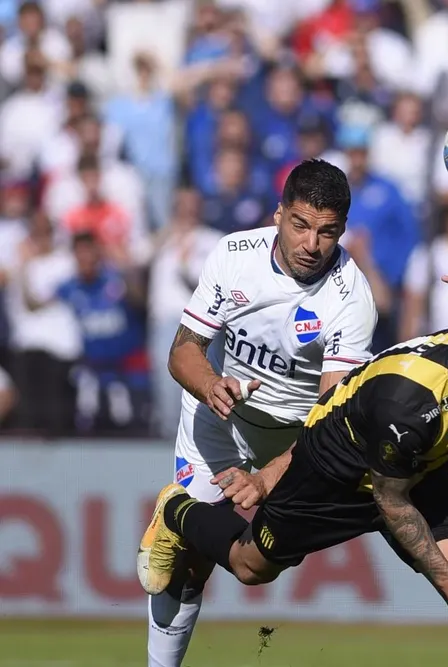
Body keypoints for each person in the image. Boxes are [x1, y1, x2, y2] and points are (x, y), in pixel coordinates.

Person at [138, 281, 448, 667]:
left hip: (417, 467)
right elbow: (391, 502)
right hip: (334, 469)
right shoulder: (407, 402)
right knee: (250, 566)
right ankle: (177, 509)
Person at [145, 159, 379, 667]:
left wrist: (273, 473)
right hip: (219, 417)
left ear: (342, 231)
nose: (311, 245)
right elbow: (182, 350)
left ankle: (175, 513)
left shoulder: (351, 301)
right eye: (300, 225)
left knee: (259, 565)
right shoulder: (233, 254)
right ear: (278, 215)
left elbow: (332, 418)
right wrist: (210, 384)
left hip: (298, 436)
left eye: (327, 232)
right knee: (190, 564)